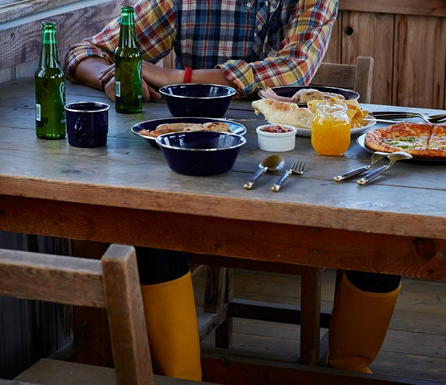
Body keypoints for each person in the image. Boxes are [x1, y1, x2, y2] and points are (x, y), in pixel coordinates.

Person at [63, 0, 401, 379]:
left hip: (299, 174)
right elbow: (82, 52)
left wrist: (176, 77)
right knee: (141, 231)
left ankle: (350, 370)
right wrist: (113, 75)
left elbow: (293, 67)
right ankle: (182, 376)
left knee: (385, 235)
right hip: (201, 166)